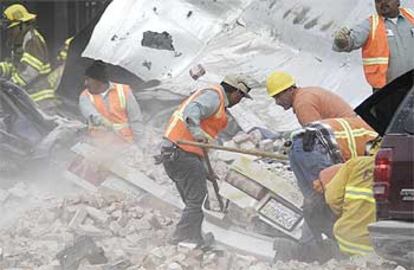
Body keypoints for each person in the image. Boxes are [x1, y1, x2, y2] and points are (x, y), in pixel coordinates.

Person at [160, 74, 254, 246]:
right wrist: (197, 134)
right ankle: (181, 238)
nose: (240, 101)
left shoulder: (216, 101)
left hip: (177, 151)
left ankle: (194, 238)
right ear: (236, 92)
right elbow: (191, 112)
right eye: (241, 97)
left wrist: (205, 167)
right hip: (181, 150)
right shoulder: (214, 96)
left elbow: (205, 136)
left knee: (192, 200)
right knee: (196, 199)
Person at [333, 0, 414, 90]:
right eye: (378, 1)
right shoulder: (370, 24)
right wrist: (341, 41)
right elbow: (351, 40)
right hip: (388, 91)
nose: (383, 3)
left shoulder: (411, 16)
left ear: (398, 2)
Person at [0, 4, 55, 110]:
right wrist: (2, 69)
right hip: (29, 99)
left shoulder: (32, 40)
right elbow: (15, 66)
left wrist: (11, 85)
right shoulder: (21, 43)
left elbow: (30, 71)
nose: (9, 33)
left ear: (22, 25)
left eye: (11, 29)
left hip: (39, 101)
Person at [79, 60, 144, 144]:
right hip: (98, 144)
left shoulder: (124, 91)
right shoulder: (85, 96)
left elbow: (136, 120)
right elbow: (91, 115)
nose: (85, 83)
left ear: (98, 81)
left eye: (88, 79)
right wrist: (104, 122)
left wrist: (140, 143)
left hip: (125, 143)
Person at [266, 71, 356, 126]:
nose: (277, 102)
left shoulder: (303, 104)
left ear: (290, 89)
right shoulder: (306, 93)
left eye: (278, 97)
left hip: (352, 135)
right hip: (355, 129)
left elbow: (317, 135)